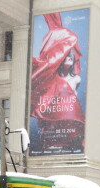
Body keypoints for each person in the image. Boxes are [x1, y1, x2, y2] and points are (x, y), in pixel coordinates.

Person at [30, 13, 85, 154]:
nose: (68, 56)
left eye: (70, 53)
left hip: (71, 133)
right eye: (64, 53)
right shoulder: (50, 80)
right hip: (52, 132)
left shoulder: (75, 79)